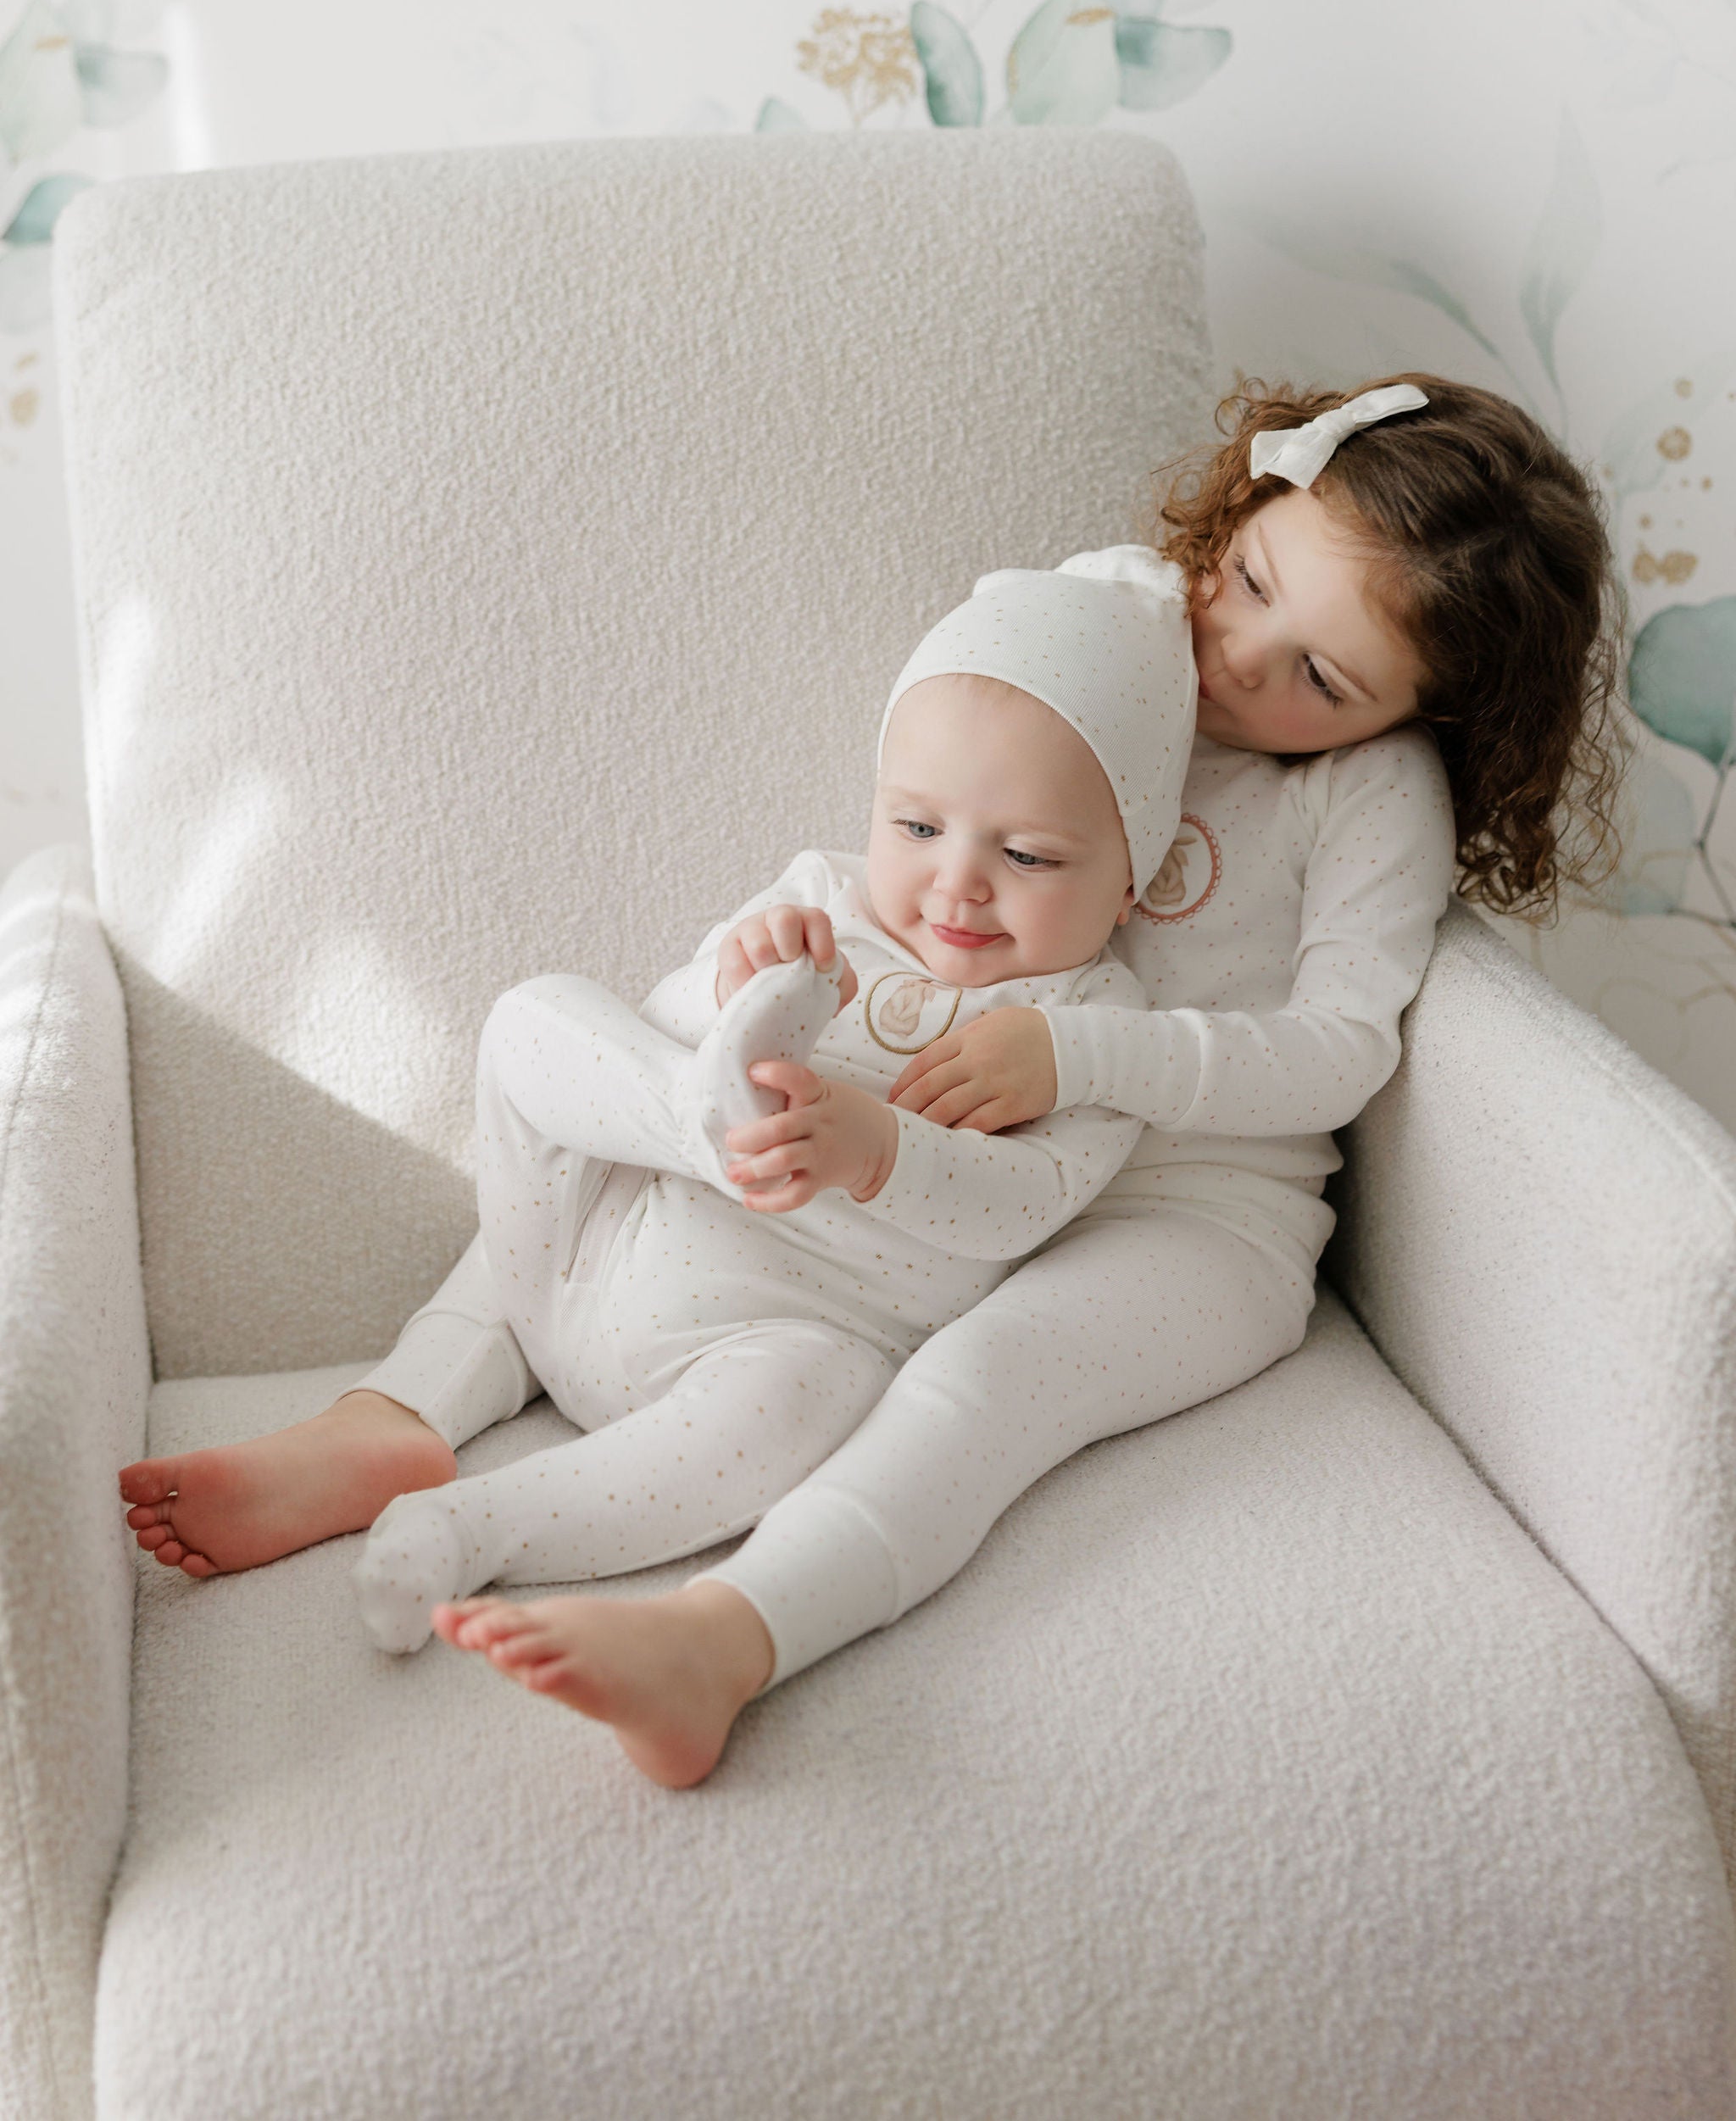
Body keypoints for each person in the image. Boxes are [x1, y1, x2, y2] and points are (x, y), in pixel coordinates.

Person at [420, 373, 1627, 1789]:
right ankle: (408, 1411)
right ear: (1250, 500)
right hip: (968, 1164)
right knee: (663, 1138)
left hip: (1191, 1215)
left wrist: (1076, 1053)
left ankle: (722, 1642)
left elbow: (1340, 1050)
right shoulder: (1124, 622)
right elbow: (938, 800)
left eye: (1322, 678)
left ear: (1429, 716)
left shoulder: (1368, 797)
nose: (1238, 656)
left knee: (983, 1384)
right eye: (1250, 580)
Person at [119, 548, 1198, 1658]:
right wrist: (737, 986)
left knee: (821, 1396)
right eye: (917, 828)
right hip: (592, 1242)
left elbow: (1027, 1204)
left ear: (1131, 881)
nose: (957, 881)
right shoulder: (821, 899)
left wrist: (879, 1149)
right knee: (537, 1018)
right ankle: (394, 1412)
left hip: (765, 1347)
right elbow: (650, 1021)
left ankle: (469, 1527)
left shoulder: (1095, 1025)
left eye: (1026, 855)